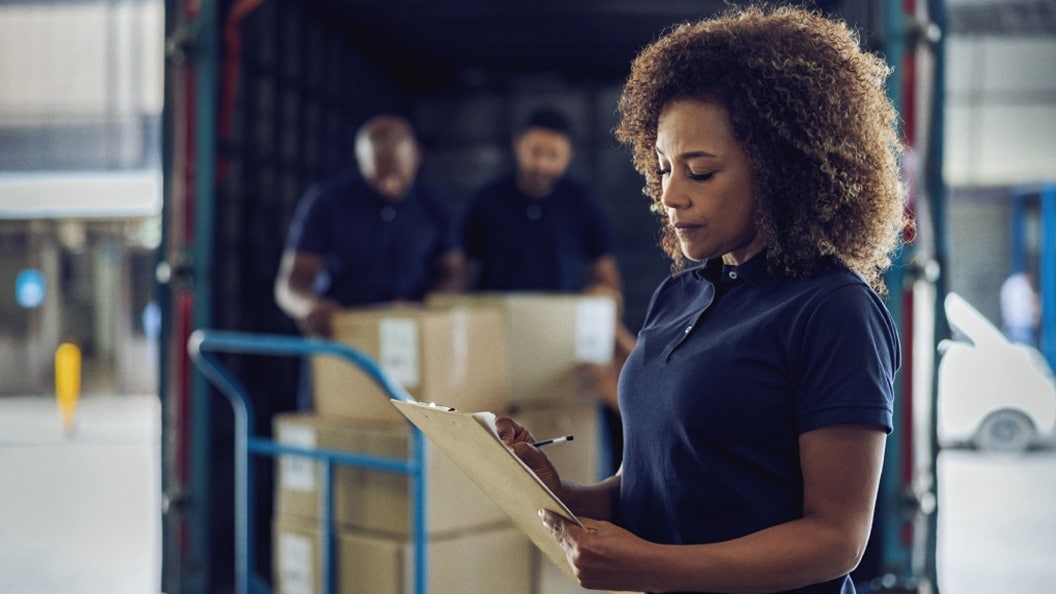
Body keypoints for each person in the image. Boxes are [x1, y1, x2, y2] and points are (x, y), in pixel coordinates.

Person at [496, 5, 910, 593]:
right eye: (663, 168)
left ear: (780, 171)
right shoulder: (678, 297)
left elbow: (836, 539)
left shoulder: (833, 309)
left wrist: (653, 566)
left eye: (700, 171)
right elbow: (655, 484)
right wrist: (559, 491)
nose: (670, 194)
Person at [275, 114, 465, 338]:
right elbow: (291, 284)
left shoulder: (437, 206)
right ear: (361, 160)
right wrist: (308, 306)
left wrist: (430, 306)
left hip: (411, 332)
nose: (389, 185)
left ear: (415, 156)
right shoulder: (327, 202)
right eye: (379, 176)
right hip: (342, 332)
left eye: (397, 175)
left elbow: (455, 272)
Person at [460, 106, 622, 296]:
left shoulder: (582, 201)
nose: (542, 165)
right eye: (535, 152)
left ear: (569, 156)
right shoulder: (486, 199)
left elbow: (607, 277)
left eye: (553, 155)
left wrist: (601, 300)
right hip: (498, 315)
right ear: (518, 145)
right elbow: (461, 269)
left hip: (561, 317)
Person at [1000, 270, 1040, 345]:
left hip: (1010, 323)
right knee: (1025, 348)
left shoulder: (1011, 282)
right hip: (1023, 324)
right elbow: (1033, 304)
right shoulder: (1024, 286)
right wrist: (1036, 317)